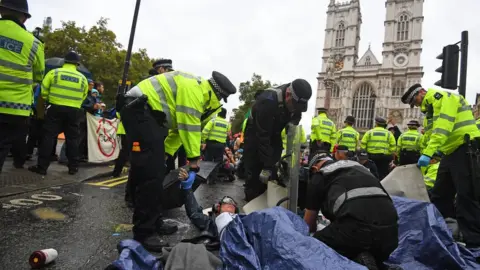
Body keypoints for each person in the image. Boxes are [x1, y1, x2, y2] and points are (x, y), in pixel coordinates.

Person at [119, 70, 236, 251]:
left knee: (154, 170)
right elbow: (189, 127)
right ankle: (143, 233)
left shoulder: (199, 92)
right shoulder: (195, 92)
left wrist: (166, 153)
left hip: (148, 114)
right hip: (139, 109)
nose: (219, 103)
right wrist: (194, 159)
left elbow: (176, 130)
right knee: (151, 175)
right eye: (221, 99)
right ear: (218, 94)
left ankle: (154, 220)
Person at [402, 83, 480, 249]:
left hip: (465, 149)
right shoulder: (431, 111)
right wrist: (427, 153)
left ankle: (474, 243)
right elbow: (430, 135)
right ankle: (445, 232)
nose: (416, 105)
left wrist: (428, 153)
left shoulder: (443, 98)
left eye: (415, 101)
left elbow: (443, 128)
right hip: (450, 152)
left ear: (421, 92)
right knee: (439, 194)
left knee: (466, 196)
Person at [304, 152, 398, 269]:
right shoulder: (359, 168)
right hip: (391, 235)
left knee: (315, 246)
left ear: (314, 168)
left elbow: (308, 225)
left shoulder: (320, 175)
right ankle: (377, 264)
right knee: (361, 245)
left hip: (356, 232)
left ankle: (360, 260)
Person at [243, 79, 312, 201]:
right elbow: (262, 138)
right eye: (294, 106)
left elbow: (297, 115)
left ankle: (269, 195)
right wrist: (267, 166)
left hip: (275, 132)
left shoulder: (295, 103)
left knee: (274, 163)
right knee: (255, 167)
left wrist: (291, 124)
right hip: (256, 133)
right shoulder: (267, 102)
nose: (294, 109)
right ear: (288, 95)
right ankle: (252, 197)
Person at [0, 0, 45, 172]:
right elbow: (39, 75)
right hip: (14, 107)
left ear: (2, 10)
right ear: (24, 18)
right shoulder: (34, 43)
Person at [29, 52, 88, 175]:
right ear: (77, 64)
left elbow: (44, 91)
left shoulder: (54, 73)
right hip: (74, 111)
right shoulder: (83, 79)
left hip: (55, 108)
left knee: (48, 137)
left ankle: (42, 167)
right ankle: (73, 167)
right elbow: (84, 96)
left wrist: (50, 100)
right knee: (72, 139)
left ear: (63, 61)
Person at [201, 107, 230, 184]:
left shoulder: (213, 121)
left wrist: (204, 141)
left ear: (218, 113)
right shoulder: (227, 124)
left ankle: (204, 178)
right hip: (221, 145)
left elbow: (204, 132)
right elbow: (229, 135)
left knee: (207, 161)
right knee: (217, 162)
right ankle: (212, 179)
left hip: (211, 144)